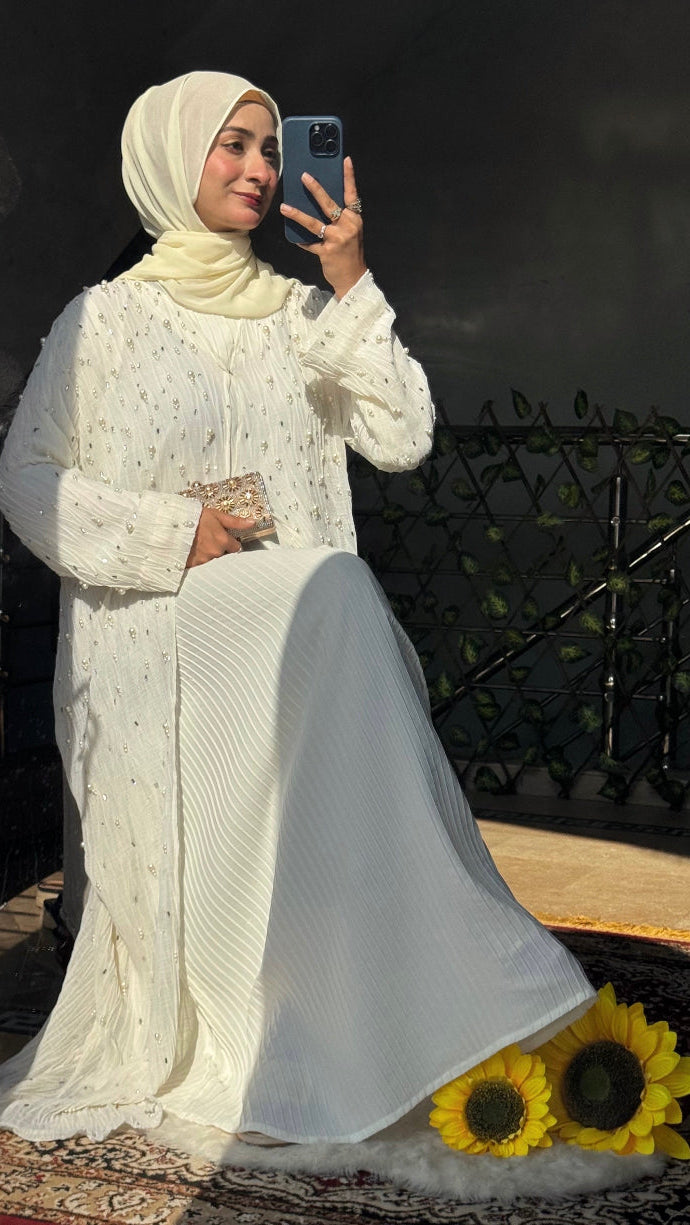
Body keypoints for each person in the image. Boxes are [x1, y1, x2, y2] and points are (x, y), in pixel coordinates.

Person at [0, 71, 595, 1147]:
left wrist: (351, 280)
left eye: (270, 148)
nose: (261, 169)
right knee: (339, 595)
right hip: (162, 623)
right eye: (231, 145)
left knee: (334, 596)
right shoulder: (104, 322)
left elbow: (404, 437)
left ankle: (403, 999)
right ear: (169, 157)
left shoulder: (302, 317)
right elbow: (28, 481)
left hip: (294, 627)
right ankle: (466, 973)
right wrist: (169, 534)